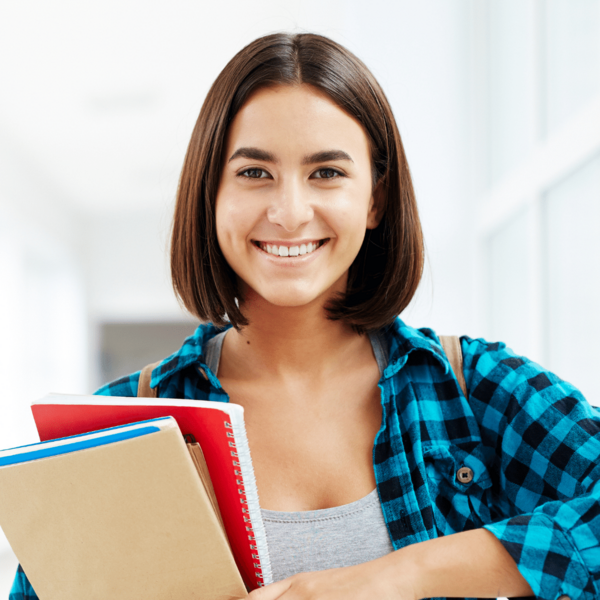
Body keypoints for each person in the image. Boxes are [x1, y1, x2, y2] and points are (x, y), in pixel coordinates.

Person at [10, 32, 600, 600]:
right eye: (254, 173)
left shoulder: (471, 388)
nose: (290, 212)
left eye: (327, 173)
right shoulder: (111, 432)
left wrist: (400, 576)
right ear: (210, 195)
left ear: (375, 199)